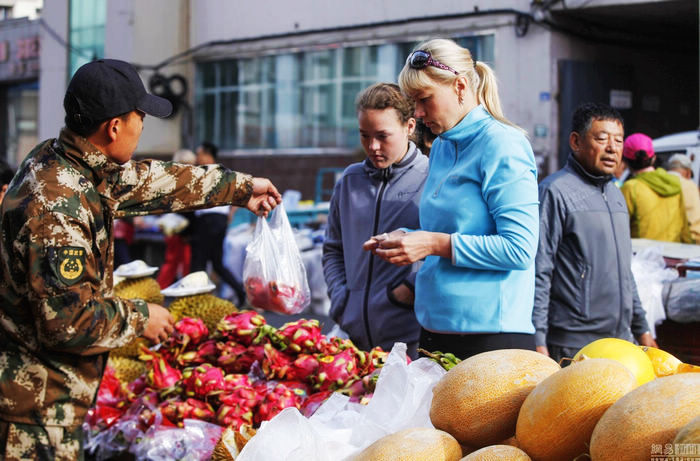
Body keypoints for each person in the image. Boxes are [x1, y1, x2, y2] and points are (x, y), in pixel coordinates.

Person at [0, 58, 281, 460]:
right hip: (33, 416)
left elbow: (154, 182)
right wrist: (140, 318)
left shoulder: (66, 163)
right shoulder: (58, 209)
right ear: (115, 127)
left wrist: (240, 188)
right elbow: (65, 322)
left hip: (48, 403)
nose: (142, 127)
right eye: (140, 118)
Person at [363, 39, 540, 359]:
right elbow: (447, 230)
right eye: (413, 101)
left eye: (424, 99)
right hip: (434, 328)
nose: (417, 112)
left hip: (489, 338)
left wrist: (430, 243)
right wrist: (408, 238)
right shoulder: (442, 145)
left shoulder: (503, 144)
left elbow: (519, 249)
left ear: (460, 86)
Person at [533, 103, 657, 363]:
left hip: (620, 341)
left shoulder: (616, 194)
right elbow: (539, 270)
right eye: (601, 139)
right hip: (574, 344)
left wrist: (642, 329)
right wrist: (538, 340)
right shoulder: (555, 192)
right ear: (576, 141)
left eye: (619, 140)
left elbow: (625, 271)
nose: (612, 148)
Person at [323, 83, 428, 358]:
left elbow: (444, 247)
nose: (373, 146)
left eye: (383, 136)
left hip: (411, 342)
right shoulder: (349, 181)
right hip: (353, 341)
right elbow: (333, 249)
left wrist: (405, 292)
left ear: (410, 127)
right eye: (364, 135)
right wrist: (340, 298)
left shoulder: (433, 178)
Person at [190, 141, 247, 303]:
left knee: (199, 262)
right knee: (216, 263)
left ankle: (195, 301)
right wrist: (229, 214)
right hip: (219, 221)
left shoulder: (204, 173)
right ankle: (239, 291)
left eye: (199, 154)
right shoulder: (224, 173)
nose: (197, 158)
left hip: (208, 221)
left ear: (208, 155)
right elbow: (239, 193)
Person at [620, 133, 693, 243]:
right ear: (653, 158)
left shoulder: (630, 188)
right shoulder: (674, 183)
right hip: (674, 256)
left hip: (642, 257)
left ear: (626, 162)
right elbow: (685, 229)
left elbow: (618, 230)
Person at [156, 149, 197, 288]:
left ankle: (171, 291)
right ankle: (165, 291)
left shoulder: (172, 181)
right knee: (178, 262)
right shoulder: (183, 182)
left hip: (177, 229)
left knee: (176, 263)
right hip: (179, 230)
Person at [666, 153, 700, 242]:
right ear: (688, 172)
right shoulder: (689, 186)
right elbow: (694, 222)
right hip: (680, 245)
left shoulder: (657, 182)